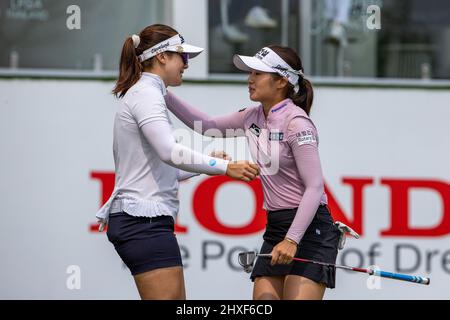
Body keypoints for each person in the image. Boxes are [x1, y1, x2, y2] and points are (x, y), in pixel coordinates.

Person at [96, 24, 259, 300]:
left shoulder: (149, 92)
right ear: (162, 57)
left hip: (144, 221)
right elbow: (168, 151)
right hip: (142, 221)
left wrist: (207, 167)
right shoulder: (147, 94)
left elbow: (158, 166)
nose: (186, 64)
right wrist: (224, 167)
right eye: (182, 57)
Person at [164, 45, 340, 300]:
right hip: (277, 227)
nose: (250, 79)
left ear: (281, 81)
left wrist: (292, 240)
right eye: (250, 73)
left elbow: (315, 188)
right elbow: (207, 126)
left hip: (311, 230)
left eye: (258, 74)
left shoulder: (297, 122)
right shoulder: (253, 116)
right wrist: (161, 90)